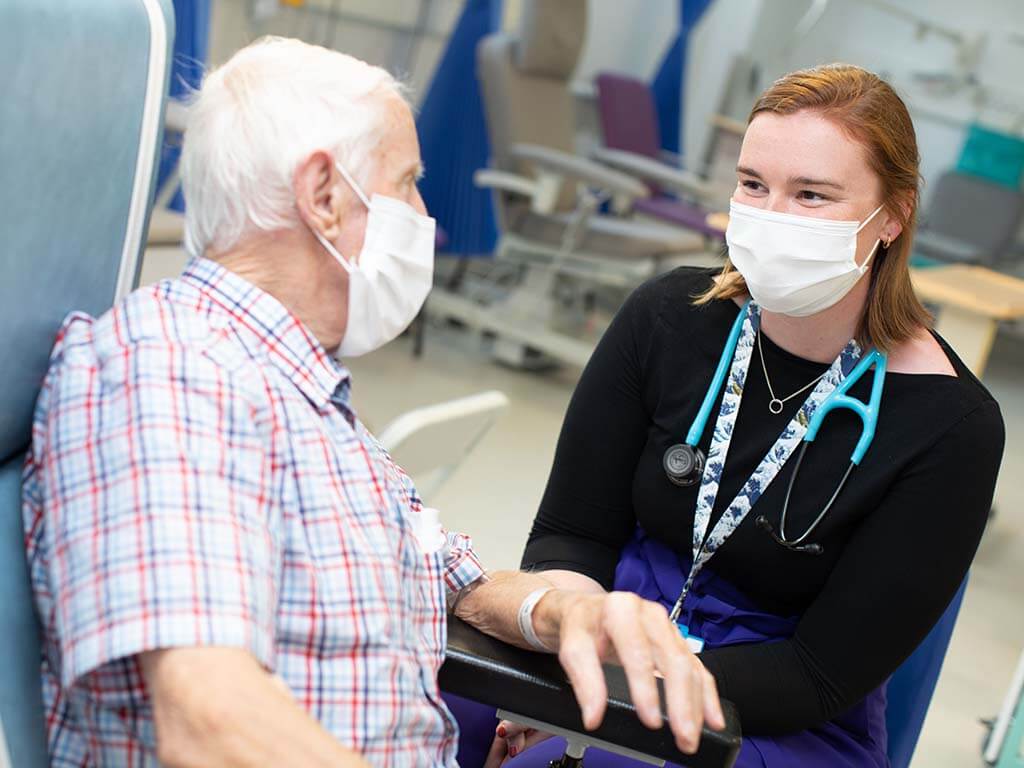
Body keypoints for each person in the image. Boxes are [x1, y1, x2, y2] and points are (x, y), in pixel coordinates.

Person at [21, 37, 724, 767]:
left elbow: (457, 582)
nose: (425, 213)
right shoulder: (172, 372)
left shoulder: (306, 394)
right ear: (323, 196)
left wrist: (563, 609)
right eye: (409, 182)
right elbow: (210, 721)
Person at [470, 64, 1005, 767]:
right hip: (609, 634)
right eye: (754, 185)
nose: (771, 215)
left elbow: (819, 676)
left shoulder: (950, 427)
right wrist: (575, 651)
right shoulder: (667, 317)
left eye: (812, 194)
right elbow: (572, 535)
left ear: (894, 215)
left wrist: (614, 699)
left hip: (778, 712)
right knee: (429, 698)